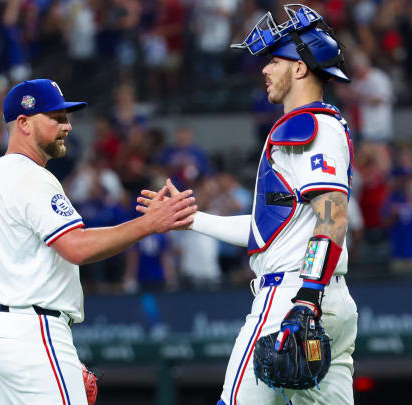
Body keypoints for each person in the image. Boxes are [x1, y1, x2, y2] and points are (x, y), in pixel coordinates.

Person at [139, 5, 357, 404]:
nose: (265, 70)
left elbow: (333, 217)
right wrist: (192, 219)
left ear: (301, 69)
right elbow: (268, 230)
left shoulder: (307, 125)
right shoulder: (323, 124)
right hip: (331, 300)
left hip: (293, 295)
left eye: (276, 60)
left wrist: (307, 297)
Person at [0, 78, 196, 404]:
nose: (68, 126)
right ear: (24, 123)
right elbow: (76, 246)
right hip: (31, 329)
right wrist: (148, 224)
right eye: (57, 118)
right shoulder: (30, 176)